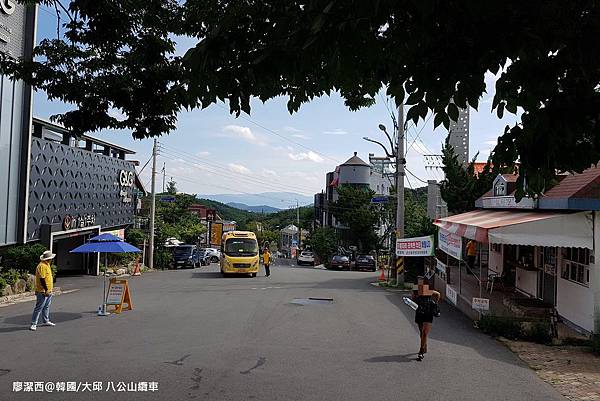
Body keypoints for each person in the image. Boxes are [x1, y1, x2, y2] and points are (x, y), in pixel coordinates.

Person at [412, 278, 440, 361]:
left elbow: (438, 294)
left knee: (424, 333)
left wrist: (434, 305)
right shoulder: (416, 290)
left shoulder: (427, 290)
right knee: (421, 332)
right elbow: (413, 299)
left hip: (428, 313)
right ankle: (424, 345)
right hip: (420, 312)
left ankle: (421, 351)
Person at [30, 250, 56, 331]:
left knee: (46, 306)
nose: (52, 259)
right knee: (39, 307)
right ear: (48, 259)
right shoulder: (42, 266)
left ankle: (46, 320)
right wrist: (46, 289)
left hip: (48, 290)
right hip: (43, 291)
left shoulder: (47, 264)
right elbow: (42, 279)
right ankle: (34, 323)